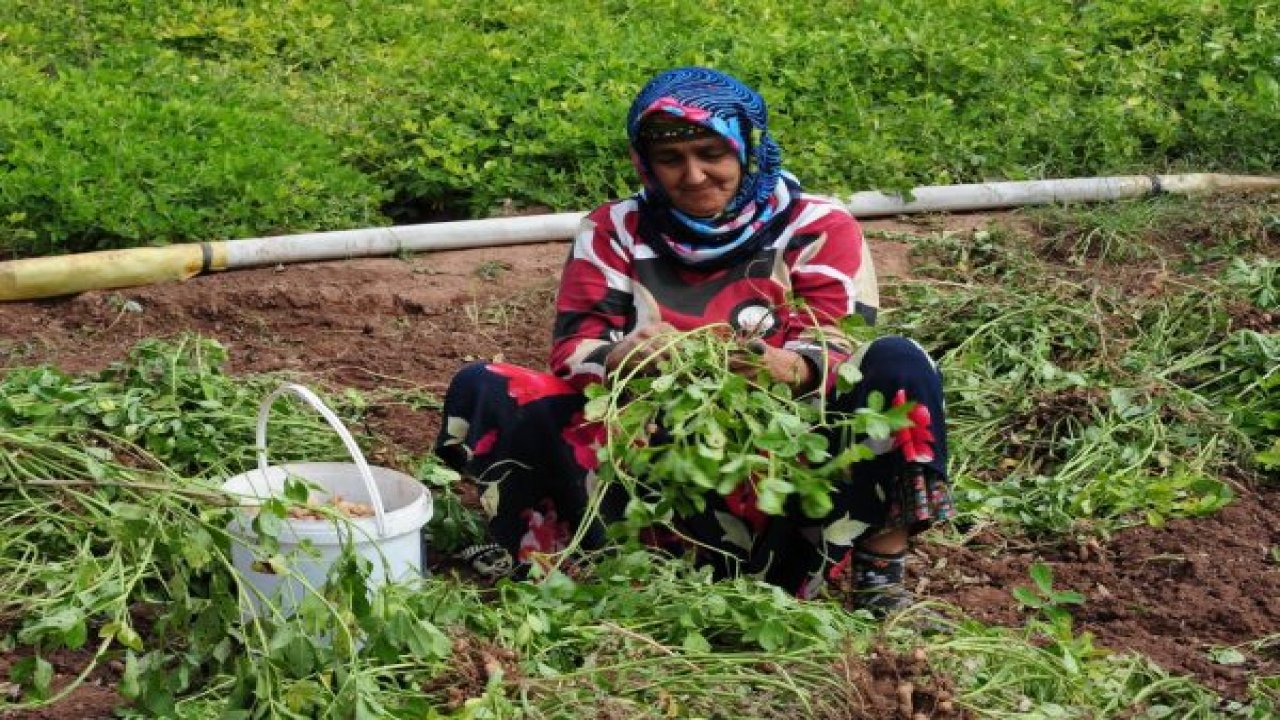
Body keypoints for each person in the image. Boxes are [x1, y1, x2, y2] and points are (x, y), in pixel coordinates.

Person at [434, 66, 951, 614]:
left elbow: (838, 341)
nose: (694, 175)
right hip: (644, 471)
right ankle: (558, 562)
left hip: (785, 471)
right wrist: (622, 357)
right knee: (485, 387)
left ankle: (877, 579)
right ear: (646, 163)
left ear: (747, 150)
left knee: (898, 364)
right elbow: (574, 350)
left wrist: (793, 368)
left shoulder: (817, 226)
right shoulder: (614, 230)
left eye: (712, 153)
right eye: (671, 159)